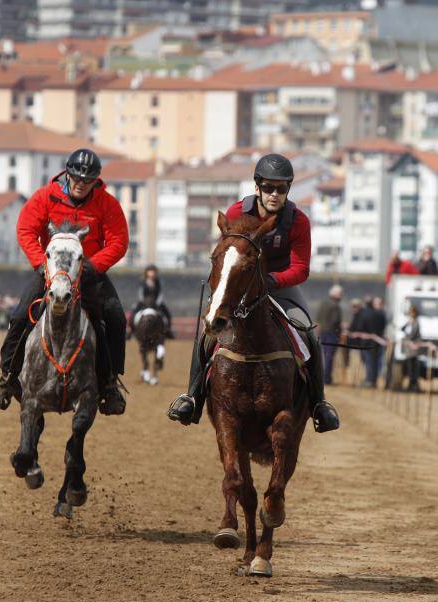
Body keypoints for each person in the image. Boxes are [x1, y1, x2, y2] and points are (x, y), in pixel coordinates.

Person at [167, 152, 340, 433]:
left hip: (280, 286)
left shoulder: (298, 222)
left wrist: (270, 281)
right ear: (257, 187)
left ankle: (319, 403)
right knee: (208, 336)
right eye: (269, 187)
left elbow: (301, 268)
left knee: (309, 331)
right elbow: (226, 255)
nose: (274, 193)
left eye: (281, 188)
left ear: (288, 190)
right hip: (240, 289)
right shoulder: (237, 214)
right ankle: (192, 397)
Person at [0, 148, 129, 414]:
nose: (81, 184)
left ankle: (109, 384)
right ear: (67, 174)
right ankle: (6, 378)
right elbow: (26, 230)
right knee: (19, 317)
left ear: (96, 180)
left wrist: (93, 266)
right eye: (77, 178)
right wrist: (40, 263)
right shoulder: (44, 197)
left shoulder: (107, 204)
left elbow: (119, 241)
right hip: (50, 272)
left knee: (116, 318)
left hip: (88, 274)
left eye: (88, 180)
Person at [130, 265, 174, 338]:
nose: (152, 273)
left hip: (156, 302)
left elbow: (160, 294)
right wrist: (143, 301)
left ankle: (168, 330)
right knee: (133, 312)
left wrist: (157, 303)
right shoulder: (143, 282)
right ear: (147, 273)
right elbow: (140, 293)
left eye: (153, 271)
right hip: (144, 302)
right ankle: (131, 330)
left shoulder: (158, 282)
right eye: (150, 271)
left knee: (167, 313)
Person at [316, 285, 343, 385]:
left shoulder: (323, 303)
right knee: (329, 357)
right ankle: (326, 378)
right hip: (332, 333)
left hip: (323, 332)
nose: (341, 296)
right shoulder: (335, 305)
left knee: (324, 356)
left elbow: (318, 318)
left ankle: (323, 377)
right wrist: (339, 332)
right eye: (340, 294)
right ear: (335, 294)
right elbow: (335, 321)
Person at [402, 305, 422, 392]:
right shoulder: (410, 322)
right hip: (409, 351)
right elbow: (402, 329)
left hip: (413, 350)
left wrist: (407, 338)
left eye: (412, 312)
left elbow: (412, 335)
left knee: (413, 368)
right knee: (410, 368)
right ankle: (411, 384)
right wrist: (407, 323)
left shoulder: (416, 322)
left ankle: (414, 385)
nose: (410, 314)